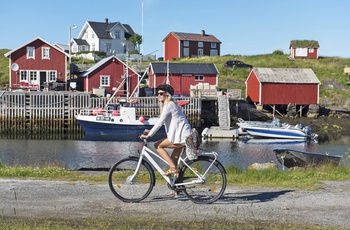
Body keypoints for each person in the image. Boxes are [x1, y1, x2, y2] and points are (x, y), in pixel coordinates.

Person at [141, 84, 192, 176]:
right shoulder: (172, 105)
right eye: (158, 94)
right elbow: (166, 122)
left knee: (157, 145)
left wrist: (149, 135)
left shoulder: (169, 105)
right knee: (173, 161)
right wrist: (151, 130)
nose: (158, 95)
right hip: (184, 136)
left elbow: (160, 122)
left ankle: (173, 169)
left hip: (182, 137)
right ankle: (177, 187)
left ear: (167, 95)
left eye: (161, 93)